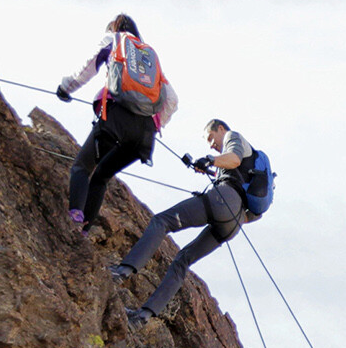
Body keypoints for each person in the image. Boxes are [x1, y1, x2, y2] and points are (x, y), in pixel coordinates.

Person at [110, 118, 256, 327]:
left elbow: (233, 159)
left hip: (223, 200)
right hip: (234, 224)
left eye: (211, 138)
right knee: (182, 261)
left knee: (161, 221)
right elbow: (255, 212)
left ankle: (122, 271)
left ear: (221, 129)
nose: (212, 145)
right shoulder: (254, 168)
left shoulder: (233, 137)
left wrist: (209, 159)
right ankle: (142, 317)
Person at [57, 15, 173, 231]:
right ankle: (85, 230)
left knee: (82, 167)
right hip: (144, 135)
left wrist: (66, 88)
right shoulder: (149, 54)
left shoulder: (116, 40)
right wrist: (155, 126)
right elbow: (172, 99)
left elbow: (90, 65)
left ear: (114, 28)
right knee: (102, 176)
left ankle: (74, 218)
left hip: (116, 119)